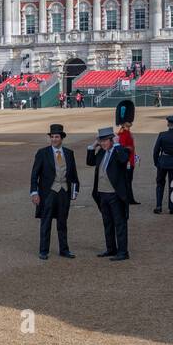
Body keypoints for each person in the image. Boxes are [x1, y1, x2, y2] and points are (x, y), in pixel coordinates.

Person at [30, 123, 79, 260]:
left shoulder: (69, 154)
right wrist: (34, 192)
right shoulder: (42, 153)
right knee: (46, 222)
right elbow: (35, 175)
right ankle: (43, 250)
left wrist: (75, 191)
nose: (54, 139)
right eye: (52, 137)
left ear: (61, 138)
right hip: (48, 193)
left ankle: (64, 250)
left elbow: (73, 175)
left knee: (62, 222)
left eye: (57, 137)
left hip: (64, 192)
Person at [86, 126, 132, 261]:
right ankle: (111, 249)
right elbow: (90, 162)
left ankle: (123, 252)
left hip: (115, 194)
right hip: (102, 194)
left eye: (105, 140)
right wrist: (93, 146)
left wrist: (117, 144)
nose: (103, 143)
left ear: (112, 140)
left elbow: (123, 160)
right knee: (108, 223)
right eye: (101, 141)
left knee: (120, 223)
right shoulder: (101, 152)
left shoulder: (120, 150)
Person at [151, 116, 173, 215]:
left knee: (160, 184)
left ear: (168, 124)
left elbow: (156, 150)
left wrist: (156, 162)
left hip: (162, 162)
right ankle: (172, 207)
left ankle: (158, 206)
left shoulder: (162, 135)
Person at [116, 100, 139, 204]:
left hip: (130, 159)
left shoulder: (126, 132)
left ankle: (129, 198)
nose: (131, 122)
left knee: (129, 181)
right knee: (127, 181)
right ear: (125, 122)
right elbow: (122, 147)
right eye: (129, 121)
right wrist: (128, 158)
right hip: (127, 161)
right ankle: (127, 199)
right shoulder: (123, 133)